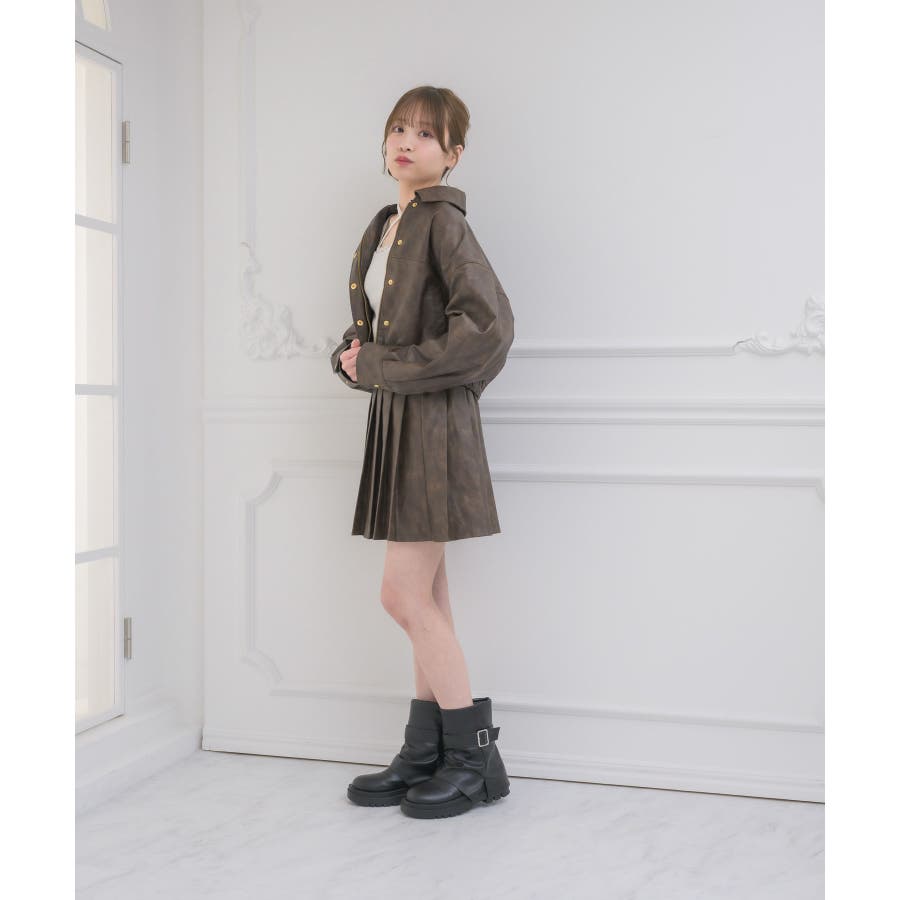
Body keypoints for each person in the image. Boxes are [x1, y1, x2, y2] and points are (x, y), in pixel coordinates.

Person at [330, 86, 514, 819]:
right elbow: (383, 328)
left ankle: (475, 759)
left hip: (432, 425)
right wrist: (354, 355)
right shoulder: (387, 224)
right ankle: (426, 749)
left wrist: (385, 368)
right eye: (399, 129)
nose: (407, 142)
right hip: (398, 419)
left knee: (401, 596)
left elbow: (488, 330)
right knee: (428, 597)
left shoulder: (443, 223)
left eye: (427, 135)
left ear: (454, 155)